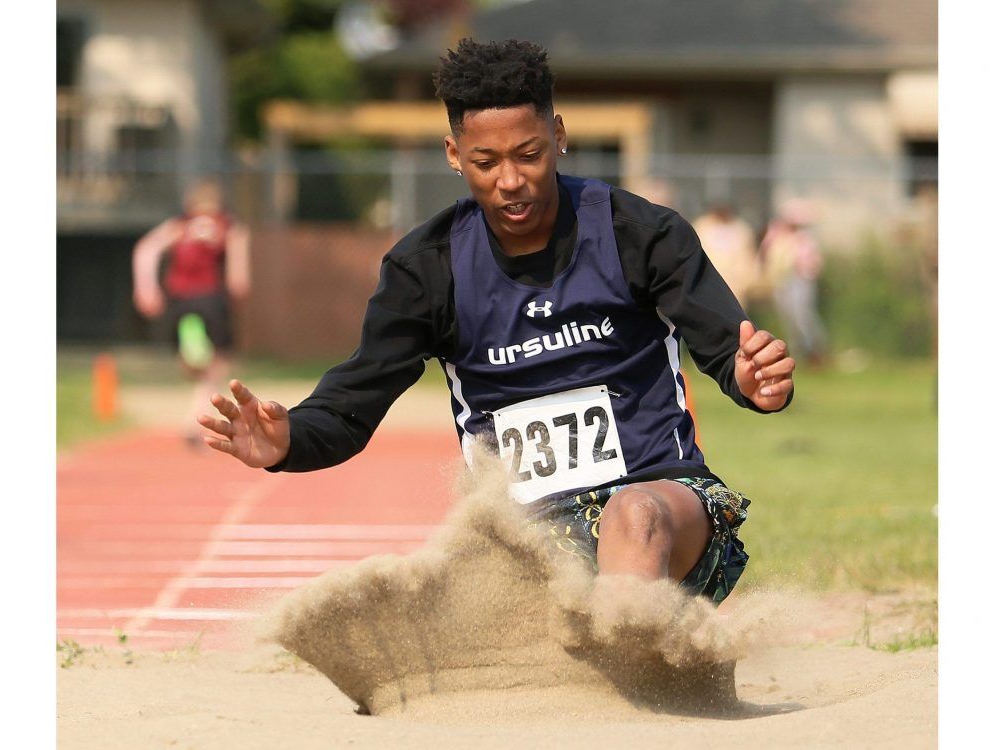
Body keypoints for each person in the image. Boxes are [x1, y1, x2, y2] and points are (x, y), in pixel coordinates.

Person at [199, 39, 795, 605]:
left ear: (558, 137)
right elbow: (354, 403)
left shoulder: (640, 234)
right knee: (443, 610)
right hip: (528, 534)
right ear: (456, 156)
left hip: (664, 510)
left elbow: (728, 348)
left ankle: (633, 668)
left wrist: (752, 382)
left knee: (632, 518)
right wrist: (287, 441)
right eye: (486, 161)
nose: (511, 180)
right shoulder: (426, 269)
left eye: (528, 155)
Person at [132, 178, 251, 444]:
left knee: (195, 365)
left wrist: (146, 288)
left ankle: (193, 358)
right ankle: (195, 415)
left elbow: (146, 249)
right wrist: (237, 287)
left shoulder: (179, 225)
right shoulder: (228, 226)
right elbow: (238, 276)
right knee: (217, 363)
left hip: (179, 299)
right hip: (210, 297)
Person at [759, 199, 828, 367]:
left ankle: (815, 350)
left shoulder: (804, 239)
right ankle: (797, 352)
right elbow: (767, 255)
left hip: (800, 279)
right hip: (780, 281)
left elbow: (813, 262)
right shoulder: (776, 234)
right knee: (788, 317)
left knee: (803, 315)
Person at [692, 202, 760, 310]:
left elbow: (748, 258)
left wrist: (748, 281)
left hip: (735, 285)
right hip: (708, 284)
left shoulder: (741, 229)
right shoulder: (702, 227)